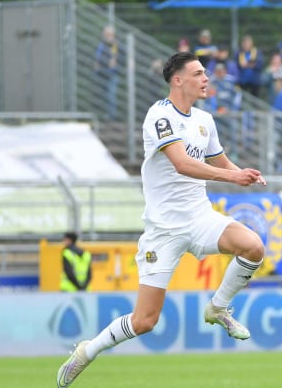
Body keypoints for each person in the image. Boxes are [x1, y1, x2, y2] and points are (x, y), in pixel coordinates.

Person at [56, 52, 267, 388]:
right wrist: (231, 179)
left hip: (199, 217)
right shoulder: (159, 116)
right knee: (145, 321)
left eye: (205, 73)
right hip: (164, 230)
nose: (206, 78)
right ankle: (87, 351)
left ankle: (218, 308)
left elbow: (217, 158)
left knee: (253, 246)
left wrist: (240, 171)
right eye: (198, 73)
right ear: (177, 79)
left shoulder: (204, 120)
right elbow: (182, 164)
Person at [94, 25, 121, 120]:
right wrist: (107, 62)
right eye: (107, 34)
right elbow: (97, 59)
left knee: (111, 96)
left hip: (112, 75)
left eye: (110, 34)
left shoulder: (117, 45)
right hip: (101, 74)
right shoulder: (101, 45)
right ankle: (102, 117)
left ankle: (111, 118)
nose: (108, 36)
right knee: (101, 97)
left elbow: (121, 59)